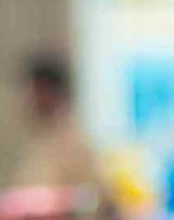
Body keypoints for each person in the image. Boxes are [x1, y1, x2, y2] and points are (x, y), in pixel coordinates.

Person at [13, 55, 106, 192]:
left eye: (39, 91)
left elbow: (94, 196)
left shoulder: (75, 143)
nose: (32, 99)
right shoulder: (37, 141)